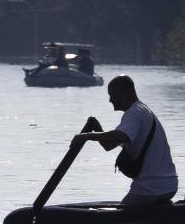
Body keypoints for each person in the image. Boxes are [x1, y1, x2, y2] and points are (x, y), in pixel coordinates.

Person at [71, 75, 178, 205]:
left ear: (123, 92)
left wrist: (86, 136)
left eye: (112, 94)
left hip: (151, 187)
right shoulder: (142, 110)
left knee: (122, 211)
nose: (110, 100)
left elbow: (119, 136)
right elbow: (108, 146)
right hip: (168, 185)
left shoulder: (134, 112)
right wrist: (97, 128)